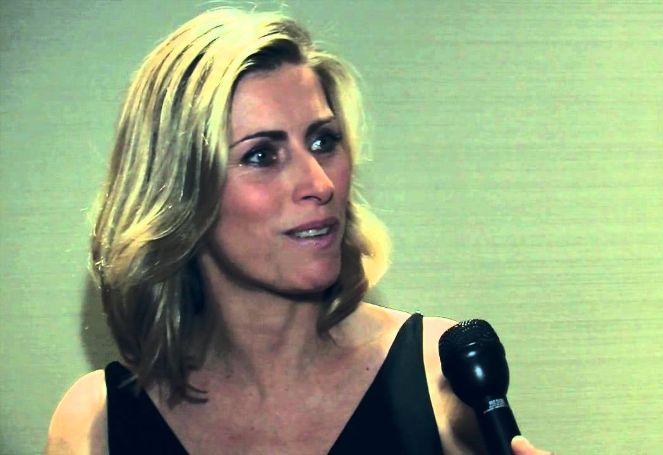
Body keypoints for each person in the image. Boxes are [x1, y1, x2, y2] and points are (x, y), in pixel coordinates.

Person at [46, 8, 552, 455]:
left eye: (323, 141)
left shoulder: (442, 373)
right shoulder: (96, 423)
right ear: (180, 190)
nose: (319, 183)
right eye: (261, 155)